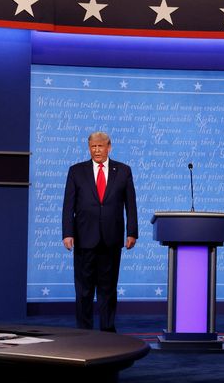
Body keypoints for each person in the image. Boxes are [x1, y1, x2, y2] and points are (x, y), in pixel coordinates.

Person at [62, 131, 138, 332]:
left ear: (109, 147)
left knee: (108, 289)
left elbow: (131, 204)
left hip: (111, 239)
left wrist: (132, 232)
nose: (96, 150)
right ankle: (84, 332)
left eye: (100, 146)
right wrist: (67, 233)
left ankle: (107, 330)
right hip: (84, 237)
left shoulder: (123, 171)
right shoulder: (76, 171)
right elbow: (68, 205)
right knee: (84, 290)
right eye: (93, 147)